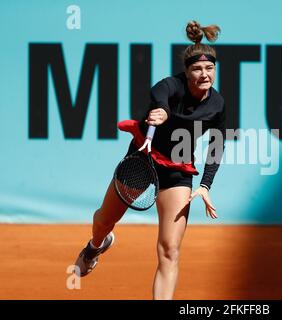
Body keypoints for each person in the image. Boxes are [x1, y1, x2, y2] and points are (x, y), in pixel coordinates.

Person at [74, 20, 225, 300]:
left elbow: (216, 144)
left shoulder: (217, 105)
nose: (204, 74)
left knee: (170, 250)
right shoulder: (168, 86)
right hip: (142, 161)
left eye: (210, 68)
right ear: (187, 71)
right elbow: (161, 99)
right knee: (104, 221)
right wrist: (163, 113)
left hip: (178, 171)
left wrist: (205, 185)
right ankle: (96, 246)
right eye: (197, 68)